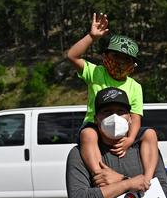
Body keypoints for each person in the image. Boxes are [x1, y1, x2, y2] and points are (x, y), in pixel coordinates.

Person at [67, 13, 159, 185]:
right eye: (116, 56)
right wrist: (91, 37)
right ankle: (100, 174)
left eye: (126, 59)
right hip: (96, 125)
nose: (120, 62)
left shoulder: (135, 86)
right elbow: (72, 56)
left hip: (125, 130)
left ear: (133, 65)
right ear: (106, 56)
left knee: (150, 134)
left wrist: (130, 139)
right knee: (87, 134)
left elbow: (136, 116)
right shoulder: (96, 72)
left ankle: (147, 179)